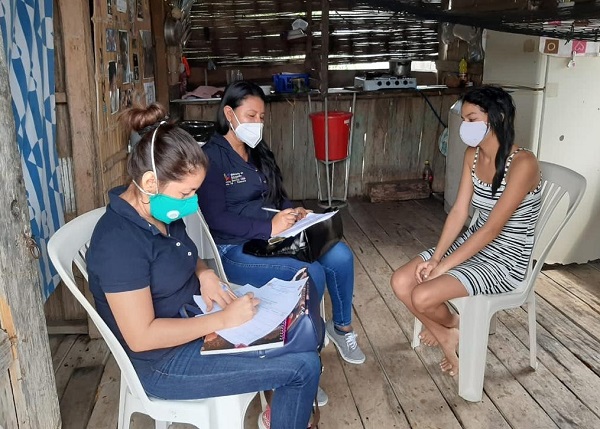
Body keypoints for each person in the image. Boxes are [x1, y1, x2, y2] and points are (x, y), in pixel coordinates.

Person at [86, 103, 321, 429]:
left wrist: (204, 273)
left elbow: (181, 255)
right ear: (150, 183)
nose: (191, 203)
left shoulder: (161, 211)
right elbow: (141, 338)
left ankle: (278, 415)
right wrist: (225, 318)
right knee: (304, 367)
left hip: (198, 319)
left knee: (304, 330)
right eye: (186, 193)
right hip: (164, 363)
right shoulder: (118, 243)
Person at [197, 80, 365, 363]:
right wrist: (268, 227)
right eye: (251, 116)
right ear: (229, 114)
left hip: (273, 239)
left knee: (340, 255)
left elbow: (276, 199)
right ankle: (306, 353)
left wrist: (294, 212)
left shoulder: (258, 151)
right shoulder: (211, 158)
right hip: (235, 250)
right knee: (311, 272)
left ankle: (342, 328)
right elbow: (216, 219)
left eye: (261, 117)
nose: (257, 123)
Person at [391, 86, 542, 377]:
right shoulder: (472, 155)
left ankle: (453, 327)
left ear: (496, 118)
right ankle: (449, 332)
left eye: (472, 119)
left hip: (505, 258)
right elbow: (460, 211)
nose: (465, 126)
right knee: (400, 281)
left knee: (422, 296)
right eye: (463, 119)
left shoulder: (523, 163)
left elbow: (492, 228)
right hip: (471, 244)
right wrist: (436, 258)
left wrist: (444, 265)